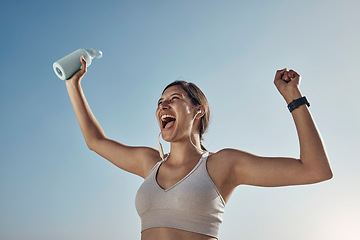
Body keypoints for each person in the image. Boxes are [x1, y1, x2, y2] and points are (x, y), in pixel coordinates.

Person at [65, 56, 333, 240]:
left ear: (198, 110)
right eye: (160, 102)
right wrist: (73, 83)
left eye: (174, 99)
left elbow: (315, 169)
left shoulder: (222, 165)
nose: (163, 106)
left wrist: (294, 98)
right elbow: (95, 142)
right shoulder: (149, 163)